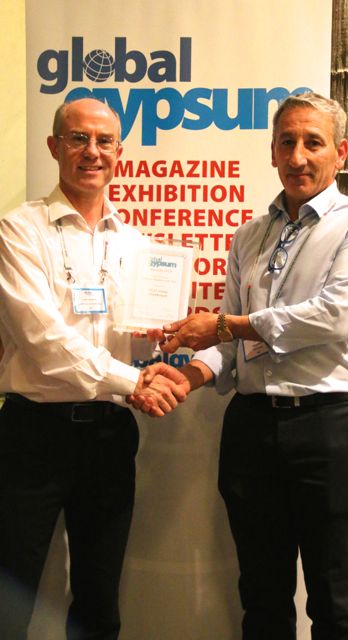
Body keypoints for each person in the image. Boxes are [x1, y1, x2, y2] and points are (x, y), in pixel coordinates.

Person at [132, 93, 348, 639]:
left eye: (313, 142)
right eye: (286, 142)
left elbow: (333, 316)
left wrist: (224, 325)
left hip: (330, 429)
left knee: (336, 605)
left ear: (341, 152)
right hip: (252, 431)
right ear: (272, 152)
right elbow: (230, 349)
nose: (298, 156)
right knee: (261, 600)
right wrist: (187, 375)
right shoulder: (249, 235)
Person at [0, 97, 187, 639]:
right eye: (78, 138)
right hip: (33, 434)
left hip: (108, 435)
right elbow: (42, 340)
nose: (92, 152)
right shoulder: (19, 230)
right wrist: (132, 380)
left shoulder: (135, 244)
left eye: (105, 141)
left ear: (119, 153)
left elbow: (133, 333)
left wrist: (161, 336)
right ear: (54, 147)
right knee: (11, 595)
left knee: (100, 600)